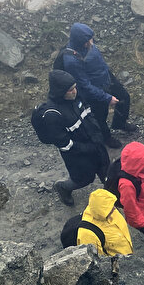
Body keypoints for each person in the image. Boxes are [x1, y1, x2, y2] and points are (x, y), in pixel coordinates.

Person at [57, 22, 137, 147]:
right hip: (95, 90)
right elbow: (84, 86)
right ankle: (106, 137)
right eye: (87, 41)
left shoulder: (86, 44)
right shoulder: (71, 60)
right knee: (100, 116)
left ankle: (120, 124)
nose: (91, 43)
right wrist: (107, 97)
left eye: (90, 39)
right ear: (79, 41)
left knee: (124, 97)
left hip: (107, 78)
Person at [40, 69, 110, 206]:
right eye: (70, 90)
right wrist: (88, 148)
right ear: (60, 91)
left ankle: (113, 196)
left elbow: (89, 113)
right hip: (78, 157)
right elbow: (64, 144)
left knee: (106, 172)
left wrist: (98, 136)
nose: (75, 91)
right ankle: (63, 187)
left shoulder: (77, 96)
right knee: (84, 179)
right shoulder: (52, 115)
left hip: (96, 145)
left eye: (75, 87)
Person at [75, 188, 134, 256]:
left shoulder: (109, 208)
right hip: (116, 262)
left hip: (126, 253)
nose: (114, 209)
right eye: (110, 208)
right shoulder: (87, 234)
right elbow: (96, 260)